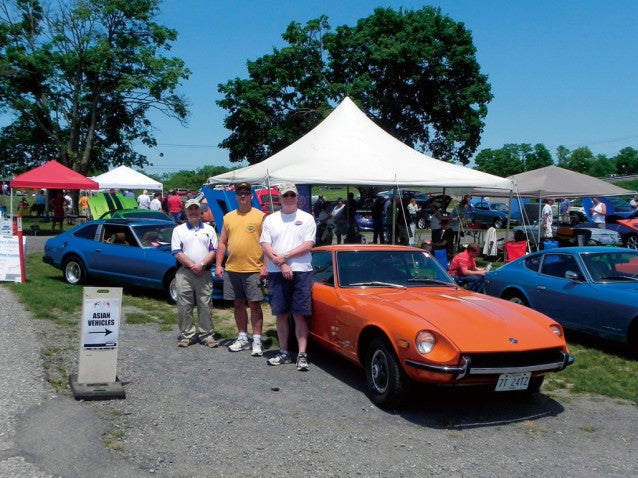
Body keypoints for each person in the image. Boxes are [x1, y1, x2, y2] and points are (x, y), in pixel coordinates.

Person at [260, 183, 316, 371]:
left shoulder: (307, 218)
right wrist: (282, 263)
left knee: (300, 315)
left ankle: (301, 354)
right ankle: (284, 351)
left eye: (292, 195)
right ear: (280, 198)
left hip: (302, 270)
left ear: (297, 197)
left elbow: (308, 245)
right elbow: (265, 245)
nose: (289, 198)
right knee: (281, 314)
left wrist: (286, 256)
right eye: (286, 195)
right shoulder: (270, 219)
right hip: (277, 272)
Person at [215, 182, 267, 357]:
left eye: (246, 193)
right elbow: (222, 242)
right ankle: (243, 337)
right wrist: (218, 264)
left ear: (251, 196)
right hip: (232, 268)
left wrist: (265, 266)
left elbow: (268, 244)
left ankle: (257, 340)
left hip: (253, 268)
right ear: (236, 197)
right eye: (240, 194)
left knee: (254, 304)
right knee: (237, 304)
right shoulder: (228, 217)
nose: (243, 196)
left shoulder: (260, 216)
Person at [171, 198, 219, 348]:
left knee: (205, 304)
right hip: (185, 272)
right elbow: (177, 251)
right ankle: (187, 335)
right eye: (190, 209)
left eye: (195, 209)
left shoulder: (209, 230)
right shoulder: (178, 230)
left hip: (203, 273)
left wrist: (202, 265)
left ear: (201, 211)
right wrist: (193, 265)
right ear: (185, 211)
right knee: (184, 305)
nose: (193, 212)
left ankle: (207, 335)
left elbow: (213, 250)